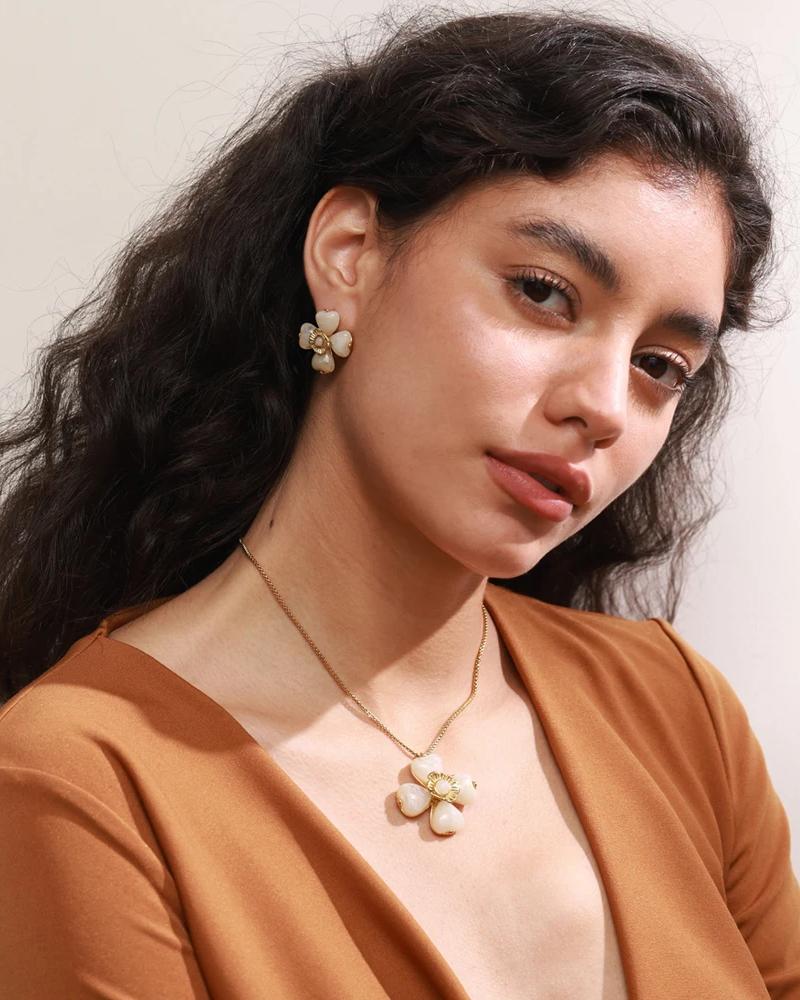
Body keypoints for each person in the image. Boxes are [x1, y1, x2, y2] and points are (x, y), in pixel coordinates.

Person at [0, 8, 797, 999]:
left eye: (659, 366)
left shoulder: (676, 712)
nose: (601, 406)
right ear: (349, 255)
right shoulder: (84, 783)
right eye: (543, 291)